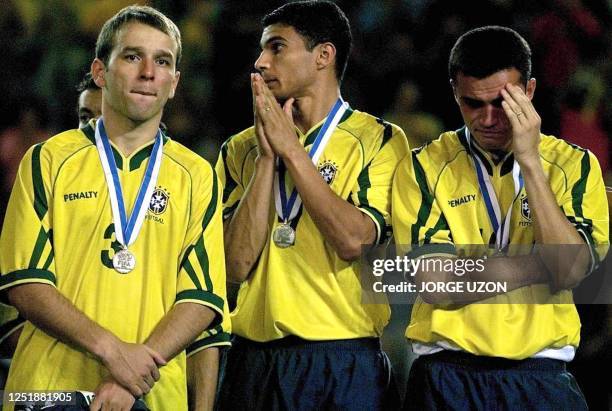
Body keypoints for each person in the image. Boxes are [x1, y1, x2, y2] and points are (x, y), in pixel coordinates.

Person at [0, 6, 227, 411]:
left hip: (155, 397)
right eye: (132, 56)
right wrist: (115, 354)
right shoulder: (47, 160)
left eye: (162, 61)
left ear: (174, 83)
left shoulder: (197, 175)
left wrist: (132, 379)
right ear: (100, 72)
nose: (148, 72)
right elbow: (26, 284)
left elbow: (200, 298)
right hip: (48, 391)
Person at [392, 26, 609, 410]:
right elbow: (438, 285)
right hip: (446, 375)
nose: (489, 119)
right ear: (455, 93)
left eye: (502, 102)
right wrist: (541, 266)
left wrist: (530, 162)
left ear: (529, 91)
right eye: (473, 104)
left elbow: (571, 270)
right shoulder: (424, 166)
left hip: (541, 374)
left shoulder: (573, 165)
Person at [216, 1, 409, 409]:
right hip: (253, 359)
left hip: (342, 358)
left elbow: (354, 241)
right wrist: (269, 160)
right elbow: (234, 265)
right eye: (262, 50)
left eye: (277, 48)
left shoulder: (380, 140)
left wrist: (293, 153)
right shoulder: (240, 149)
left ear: (323, 55)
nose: (260, 62)